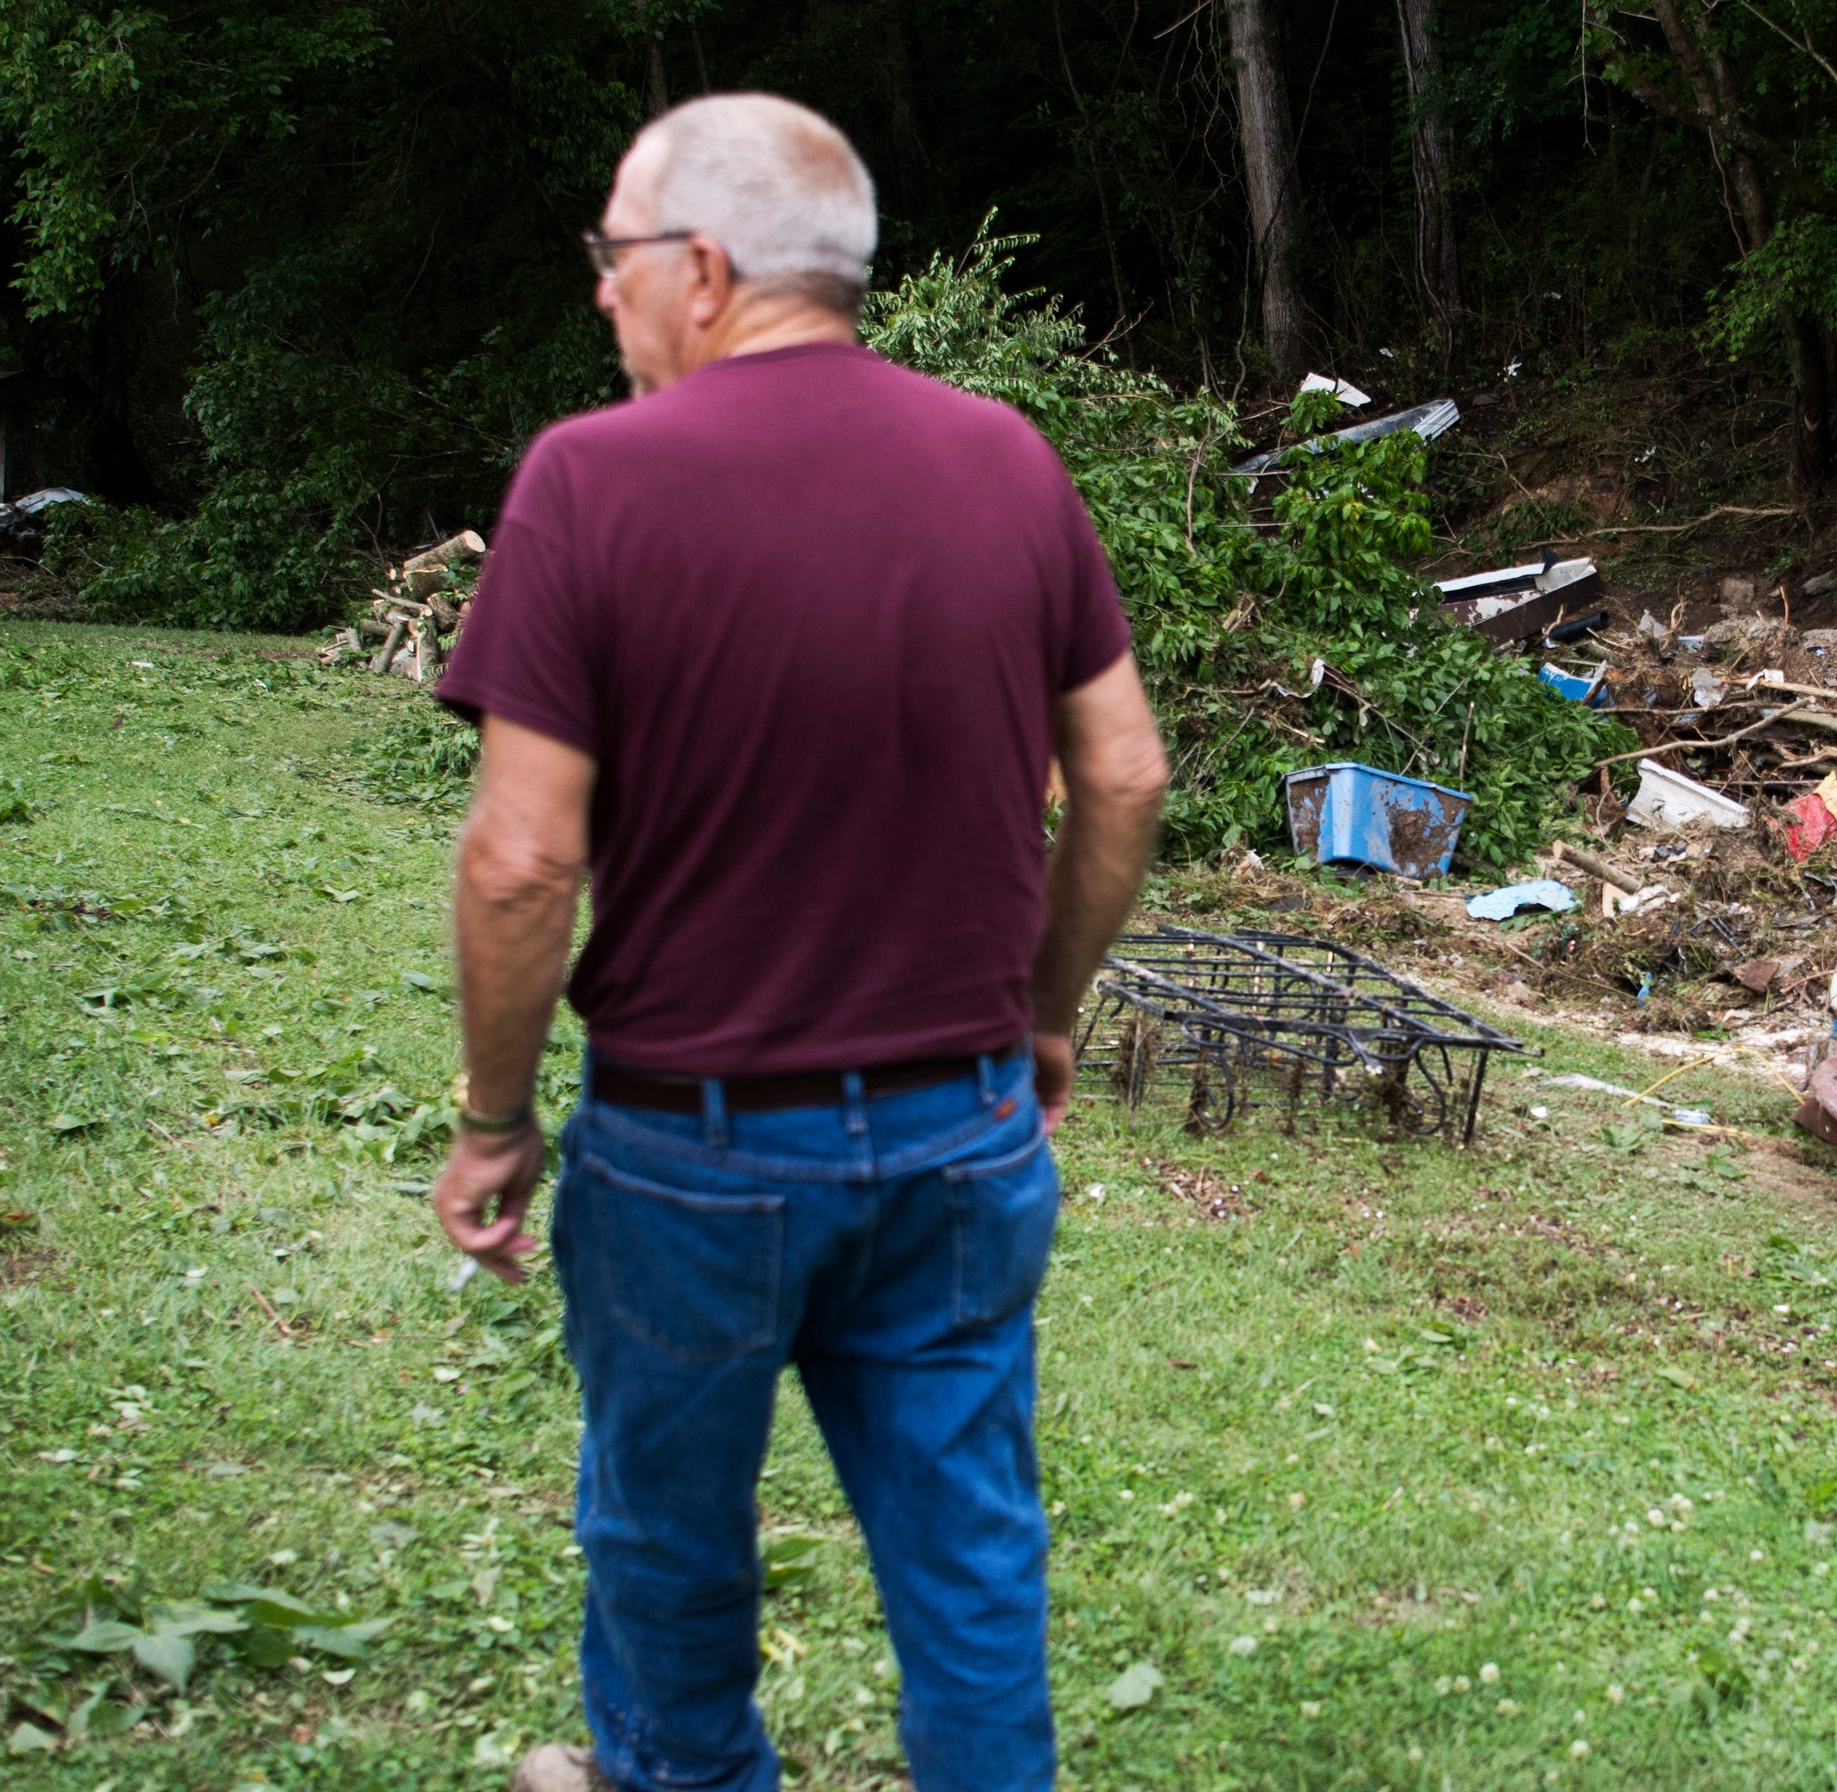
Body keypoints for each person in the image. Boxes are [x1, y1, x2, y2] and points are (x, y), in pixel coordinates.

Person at [426, 92, 1167, 1792]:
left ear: (701, 269)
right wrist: (1042, 1016)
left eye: (612, 260)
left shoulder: (590, 484)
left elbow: (526, 858)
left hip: (696, 1150)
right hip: (962, 1129)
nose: (599, 295)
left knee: (670, 1537)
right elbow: (1122, 774)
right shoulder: (1008, 459)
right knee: (968, 1546)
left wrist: (490, 1115)